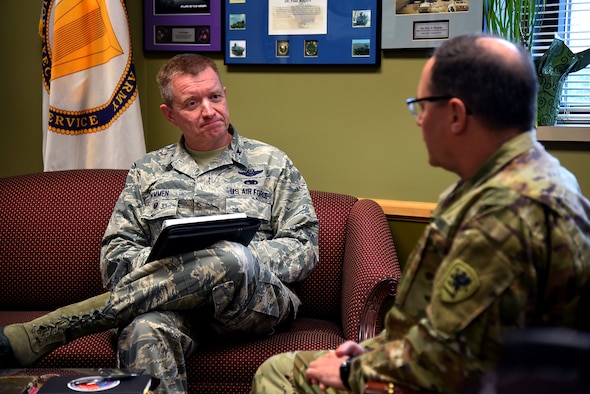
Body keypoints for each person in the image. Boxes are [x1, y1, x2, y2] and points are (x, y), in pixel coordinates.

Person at [251, 33, 590, 393]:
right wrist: (370, 350)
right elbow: (442, 325)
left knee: (280, 375)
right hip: (441, 364)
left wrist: (355, 370)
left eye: (422, 106)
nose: (419, 120)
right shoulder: (530, 177)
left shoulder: (502, 217)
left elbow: (449, 363)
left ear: (456, 114)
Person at [0, 53, 319, 394]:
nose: (209, 110)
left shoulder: (271, 163)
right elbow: (115, 257)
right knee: (143, 331)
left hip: (251, 304)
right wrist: (181, 268)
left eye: (215, 97)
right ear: (170, 114)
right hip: (170, 310)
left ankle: (52, 329)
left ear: (225, 93)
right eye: (192, 103)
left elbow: (304, 246)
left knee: (231, 257)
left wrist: (233, 261)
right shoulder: (147, 172)